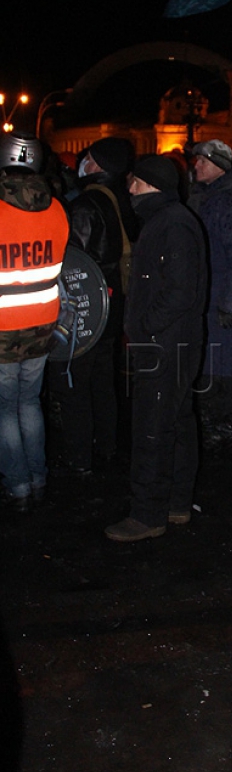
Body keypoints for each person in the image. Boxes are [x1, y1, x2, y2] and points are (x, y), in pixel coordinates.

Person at [105, 154, 207, 542]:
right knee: (177, 422)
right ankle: (177, 503)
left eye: (135, 183)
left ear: (151, 185)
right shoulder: (167, 220)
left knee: (152, 428)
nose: (129, 189)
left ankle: (147, 515)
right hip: (172, 342)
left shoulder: (172, 223)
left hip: (165, 345)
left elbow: (178, 292)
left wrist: (144, 328)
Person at [46, 136, 136, 473]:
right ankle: (107, 446)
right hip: (113, 303)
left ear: (96, 165)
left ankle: (80, 457)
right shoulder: (121, 197)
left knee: (75, 384)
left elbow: (75, 263)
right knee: (103, 380)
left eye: (88, 158)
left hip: (89, 306)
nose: (82, 162)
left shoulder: (86, 204)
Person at [0, 133, 69, 511]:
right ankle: (38, 478)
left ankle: (18, 485)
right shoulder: (57, 209)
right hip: (43, 323)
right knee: (29, 403)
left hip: (2, 330)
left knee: (4, 409)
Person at [189, 139, 232, 450]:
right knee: (211, 364)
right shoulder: (212, 199)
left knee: (223, 366)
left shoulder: (231, 203)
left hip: (222, 301)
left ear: (218, 165)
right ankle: (211, 420)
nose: (196, 166)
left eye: (202, 161)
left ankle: (224, 424)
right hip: (212, 299)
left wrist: (230, 304)